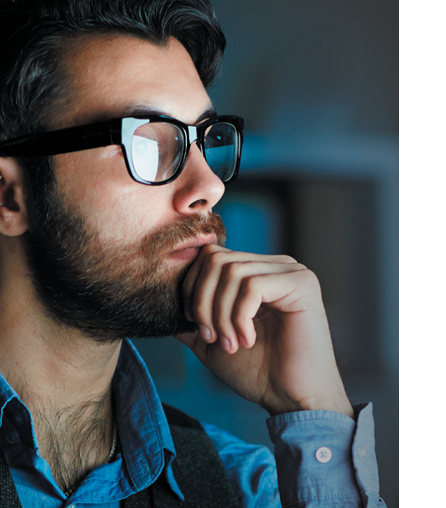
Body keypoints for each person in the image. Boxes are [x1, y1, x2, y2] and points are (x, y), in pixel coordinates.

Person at [0, 0, 386, 506]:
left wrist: (313, 407)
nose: (209, 186)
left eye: (204, 139)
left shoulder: (246, 485)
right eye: (147, 143)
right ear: (10, 195)